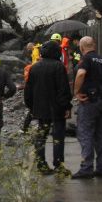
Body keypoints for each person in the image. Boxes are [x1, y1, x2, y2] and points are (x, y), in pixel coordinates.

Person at [25, 40, 73, 176]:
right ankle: (58, 165)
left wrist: (31, 106)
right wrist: (67, 106)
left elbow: (28, 90)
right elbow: (63, 89)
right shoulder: (59, 67)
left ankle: (41, 164)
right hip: (57, 109)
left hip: (40, 108)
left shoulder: (34, 67)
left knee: (41, 136)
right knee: (58, 137)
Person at [71, 36, 102, 179]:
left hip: (89, 100)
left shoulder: (86, 59)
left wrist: (76, 92)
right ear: (94, 45)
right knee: (100, 134)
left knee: (85, 133)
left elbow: (81, 74)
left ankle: (86, 168)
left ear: (82, 47)